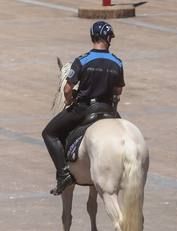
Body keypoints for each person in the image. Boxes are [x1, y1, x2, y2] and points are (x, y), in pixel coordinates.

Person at [42, 21, 124, 196]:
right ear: (108, 38)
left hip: (85, 109)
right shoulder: (117, 62)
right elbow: (118, 90)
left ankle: (63, 174)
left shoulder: (83, 60)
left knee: (49, 133)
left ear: (93, 37)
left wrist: (70, 100)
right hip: (109, 110)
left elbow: (67, 88)